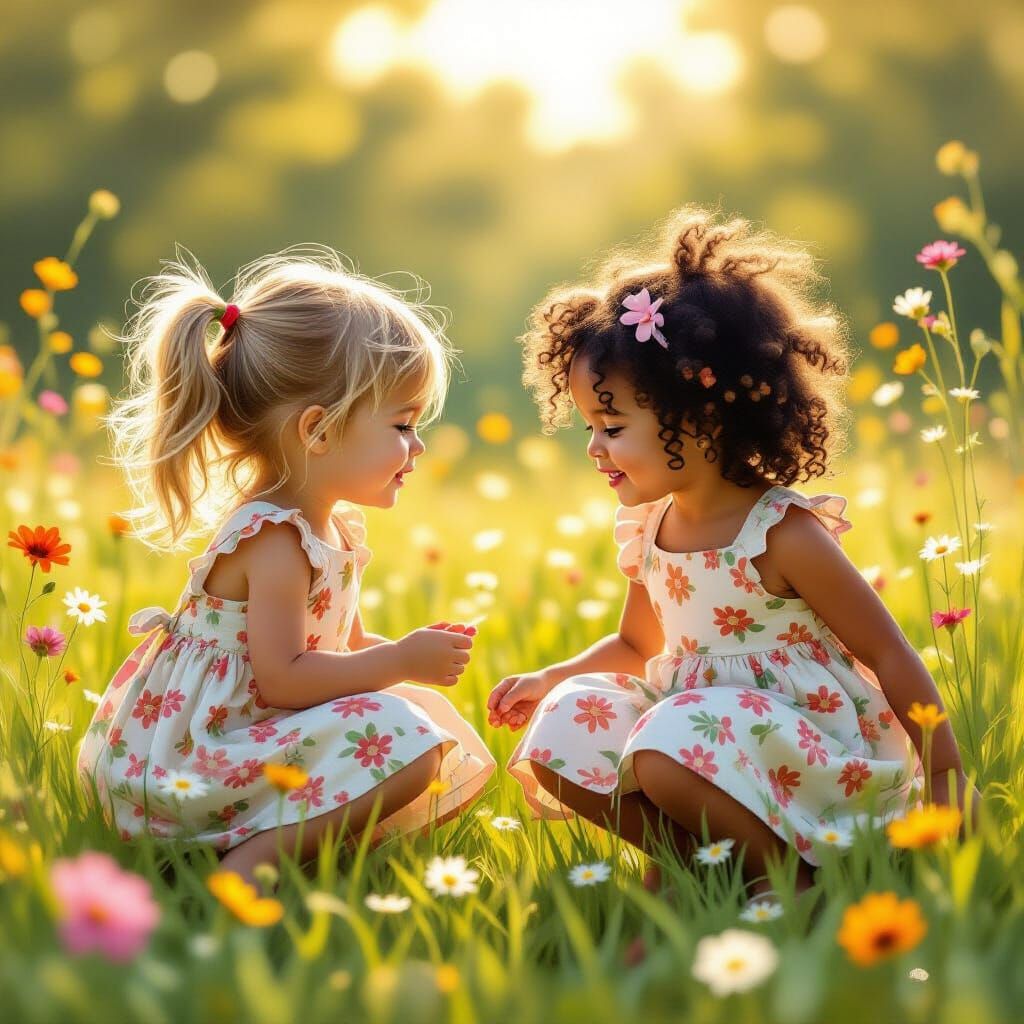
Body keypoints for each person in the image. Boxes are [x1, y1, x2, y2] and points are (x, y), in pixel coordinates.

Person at [488, 207, 971, 895]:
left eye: (613, 426)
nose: (594, 448)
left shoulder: (779, 532)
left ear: (702, 417)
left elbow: (888, 650)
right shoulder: (649, 528)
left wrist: (945, 775)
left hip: (804, 750)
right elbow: (635, 645)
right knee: (564, 728)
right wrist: (551, 678)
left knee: (664, 747)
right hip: (692, 736)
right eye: (589, 427)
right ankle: (698, 873)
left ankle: (789, 882)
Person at [78, 246, 494, 880]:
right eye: (402, 425)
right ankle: (247, 870)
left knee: (420, 717)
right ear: (318, 431)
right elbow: (285, 679)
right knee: (406, 740)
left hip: (255, 731)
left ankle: (311, 851)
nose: (418, 446)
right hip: (198, 757)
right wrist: (402, 660)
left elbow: (343, 650)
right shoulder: (273, 539)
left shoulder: (328, 527)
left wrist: (404, 658)